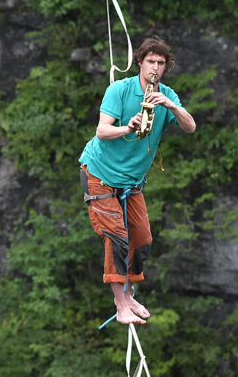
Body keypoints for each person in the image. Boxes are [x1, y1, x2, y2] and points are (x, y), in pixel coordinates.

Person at [78, 37, 196, 325]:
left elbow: (190, 126)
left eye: (160, 63)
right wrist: (127, 126)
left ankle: (129, 294)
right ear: (140, 63)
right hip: (100, 174)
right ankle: (120, 305)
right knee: (116, 238)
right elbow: (102, 131)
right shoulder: (120, 90)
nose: (155, 68)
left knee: (142, 240)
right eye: (150, 62)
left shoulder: (166, 94)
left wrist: (171, 105)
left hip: (131, 183)